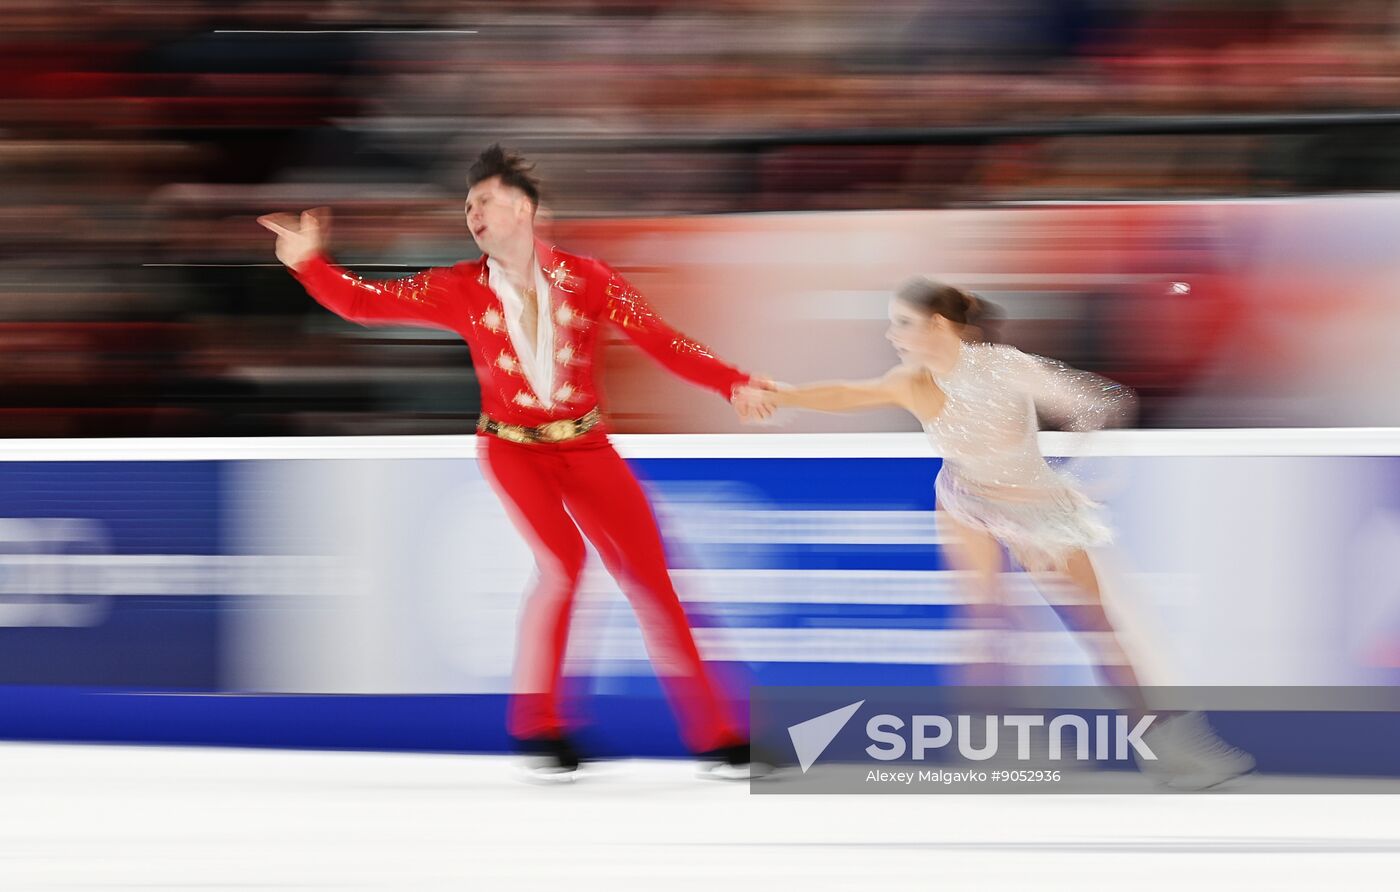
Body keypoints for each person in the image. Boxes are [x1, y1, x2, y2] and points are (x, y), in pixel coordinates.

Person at [259, 145, 771, 781]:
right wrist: (310, 264)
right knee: (566, 564)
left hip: (586, 447)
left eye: (486, 200)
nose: (472, 212)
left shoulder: (591, 278)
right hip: (512, 449)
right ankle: (541, 725)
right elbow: (366, 303)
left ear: (526, 208)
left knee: (654, 576)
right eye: (467, 204)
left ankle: (719, 735)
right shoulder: (456, 287)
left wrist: (732, 382)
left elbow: (660, 338)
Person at [739, 277, 1255, 790]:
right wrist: (783, 393)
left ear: (938, 325)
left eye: (902, 322)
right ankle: (995, 742)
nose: (892, 333)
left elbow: (1097, 402)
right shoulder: (911, 380)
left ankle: (1168, 746)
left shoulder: (1003, 367)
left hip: (1037, 508)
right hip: (968, 500)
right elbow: (848, 393)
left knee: (1098, 628)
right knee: (986, 619)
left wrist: (1090, 469)